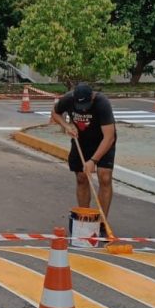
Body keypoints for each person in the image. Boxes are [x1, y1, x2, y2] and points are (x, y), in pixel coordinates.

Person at [50, 82, 117, 217]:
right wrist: (67, 126)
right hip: (81, 141)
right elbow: (55, 113)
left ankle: (102, 222)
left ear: (92, 97)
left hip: (103, 141)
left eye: (86, 106)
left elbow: (109, 137)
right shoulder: (68, 99)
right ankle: (85, 218)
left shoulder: (102, 103)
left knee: (104, 176)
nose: (83, 110)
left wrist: (93, 161)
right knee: (81, 177)